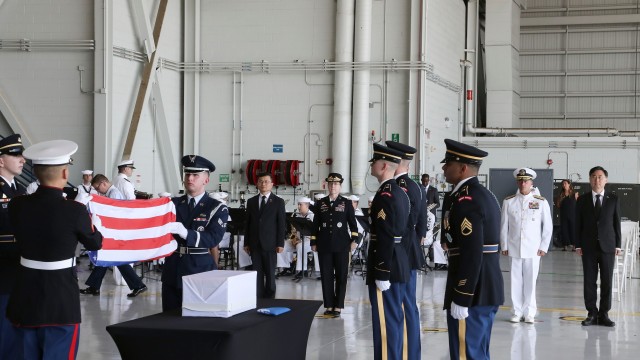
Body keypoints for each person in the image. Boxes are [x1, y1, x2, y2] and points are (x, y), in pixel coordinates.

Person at [7, 139, 103, 359]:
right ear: (65, 174)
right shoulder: (75, 211)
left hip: (25, 295)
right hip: (61, 300)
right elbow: (95, 243)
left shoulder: (17, 205)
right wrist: (92, 223)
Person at [440, 139, 504, 360]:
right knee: (477, 352)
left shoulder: (466, 200)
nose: (443, 168)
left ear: (463, 168)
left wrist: (462, 296)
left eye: (448, 163)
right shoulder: (482, 195)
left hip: (473, 291)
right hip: (485, 287)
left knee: (466, 353)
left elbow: (472, 252)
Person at [161, 155, 228, 311]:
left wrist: (186, 234)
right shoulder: (173, 204)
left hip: (199, 270)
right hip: (173, 268)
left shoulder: (216, 207)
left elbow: (213, 238)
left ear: (206, 180)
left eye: (195, 175)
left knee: (196, 320)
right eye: (187, 174)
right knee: (169, 319)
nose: (190, 178)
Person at [366, 143, 410, 360]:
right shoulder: (399, 192)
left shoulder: (385, 195)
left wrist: (381, 271)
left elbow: (385, 236)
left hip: (387, 266)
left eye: (374, 162)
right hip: (398, 262)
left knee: (385, 325)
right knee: (394, 320)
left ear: (383, 166)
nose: (371, 165)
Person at [386, 140, 427, 360]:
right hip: (411, 249)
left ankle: (409, 353)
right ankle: (411, 353)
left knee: (405, 304)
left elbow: (402, 223)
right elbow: (422, 225)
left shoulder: (401, 187)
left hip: (402, 251)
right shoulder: (416, 186)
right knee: (409, 304)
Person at [79, 174, 148, 297]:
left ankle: (138, 285)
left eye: (98, 188)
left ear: (104, 183)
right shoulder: (112, 193)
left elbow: (114, 215)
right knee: (108, 258)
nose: (98, 191)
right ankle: (94, 286)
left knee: (114, 259)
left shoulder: (114, 194)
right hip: (115, 232)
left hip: (115, 233)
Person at [500, 168, 552, 324]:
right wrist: (504, 244)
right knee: (515, 281)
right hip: (514, 247)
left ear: (532, 183)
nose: (523, 183)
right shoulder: (509, 201)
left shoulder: (540, 201)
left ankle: (529, 312)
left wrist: (544, 246)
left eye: (526, 181)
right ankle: (516, 311)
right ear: (518, 182)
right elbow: (503, 225)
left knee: (530, 281)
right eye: (521, 181)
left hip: (533, 249)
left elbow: (547, 226)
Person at [575, 166, 621, 327]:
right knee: (589, 281)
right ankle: (591, 313)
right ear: (589, 179)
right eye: (594, 176)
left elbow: (616, 223)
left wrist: (618, 245)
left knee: (607, 281)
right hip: (588, 246)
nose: (597, 180)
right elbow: (578, 224)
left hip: (608, 246)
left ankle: (604, 314)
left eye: (600, 177)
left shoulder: (613, 199)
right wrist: (578, 244)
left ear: (606, 180)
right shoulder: (582, 200)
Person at [310, 173, 359, 318]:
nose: (333, 186)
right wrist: (313, 241)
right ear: (327, 186)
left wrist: (354, 240)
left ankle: (338, 305)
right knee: (326, 275)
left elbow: (353, 225)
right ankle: (329, 304)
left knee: (341, 276)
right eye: (330, 184)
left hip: (342, 245)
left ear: (340, 186)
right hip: (324, 244)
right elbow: (315, 225)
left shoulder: (346, 203)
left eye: (336, 184)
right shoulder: (320, 203)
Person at [0, 134, 26, 358]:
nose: (22, 159)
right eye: (15, 155)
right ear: (1, 160)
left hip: (18, 270)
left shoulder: (18, 189)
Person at [244, 172, 286, 299]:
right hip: (255, 244)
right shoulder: (251, 202)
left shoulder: (278, 202)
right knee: (257, 274)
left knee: (270, 275)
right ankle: (258, 299)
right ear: (257, 184)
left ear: (272, 184)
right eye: (261, 181)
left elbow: (281, 224)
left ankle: (270, 300)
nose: (263, 184)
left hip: (271, 244)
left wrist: (280, 243)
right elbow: (248, 223)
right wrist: (246, 243)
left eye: (266, 181)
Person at [556, 179, 578, 251]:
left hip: (573, 215)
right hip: (563, 215)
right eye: (563, 184)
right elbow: (558, 205)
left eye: (565, 183)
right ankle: (565, 246)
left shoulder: (575, 194)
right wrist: (560, 200)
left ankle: (574, 246)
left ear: (569, 184)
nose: (564, 185)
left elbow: (579, 204)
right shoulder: (561, 195)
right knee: (564, 230)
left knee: (573, 230)